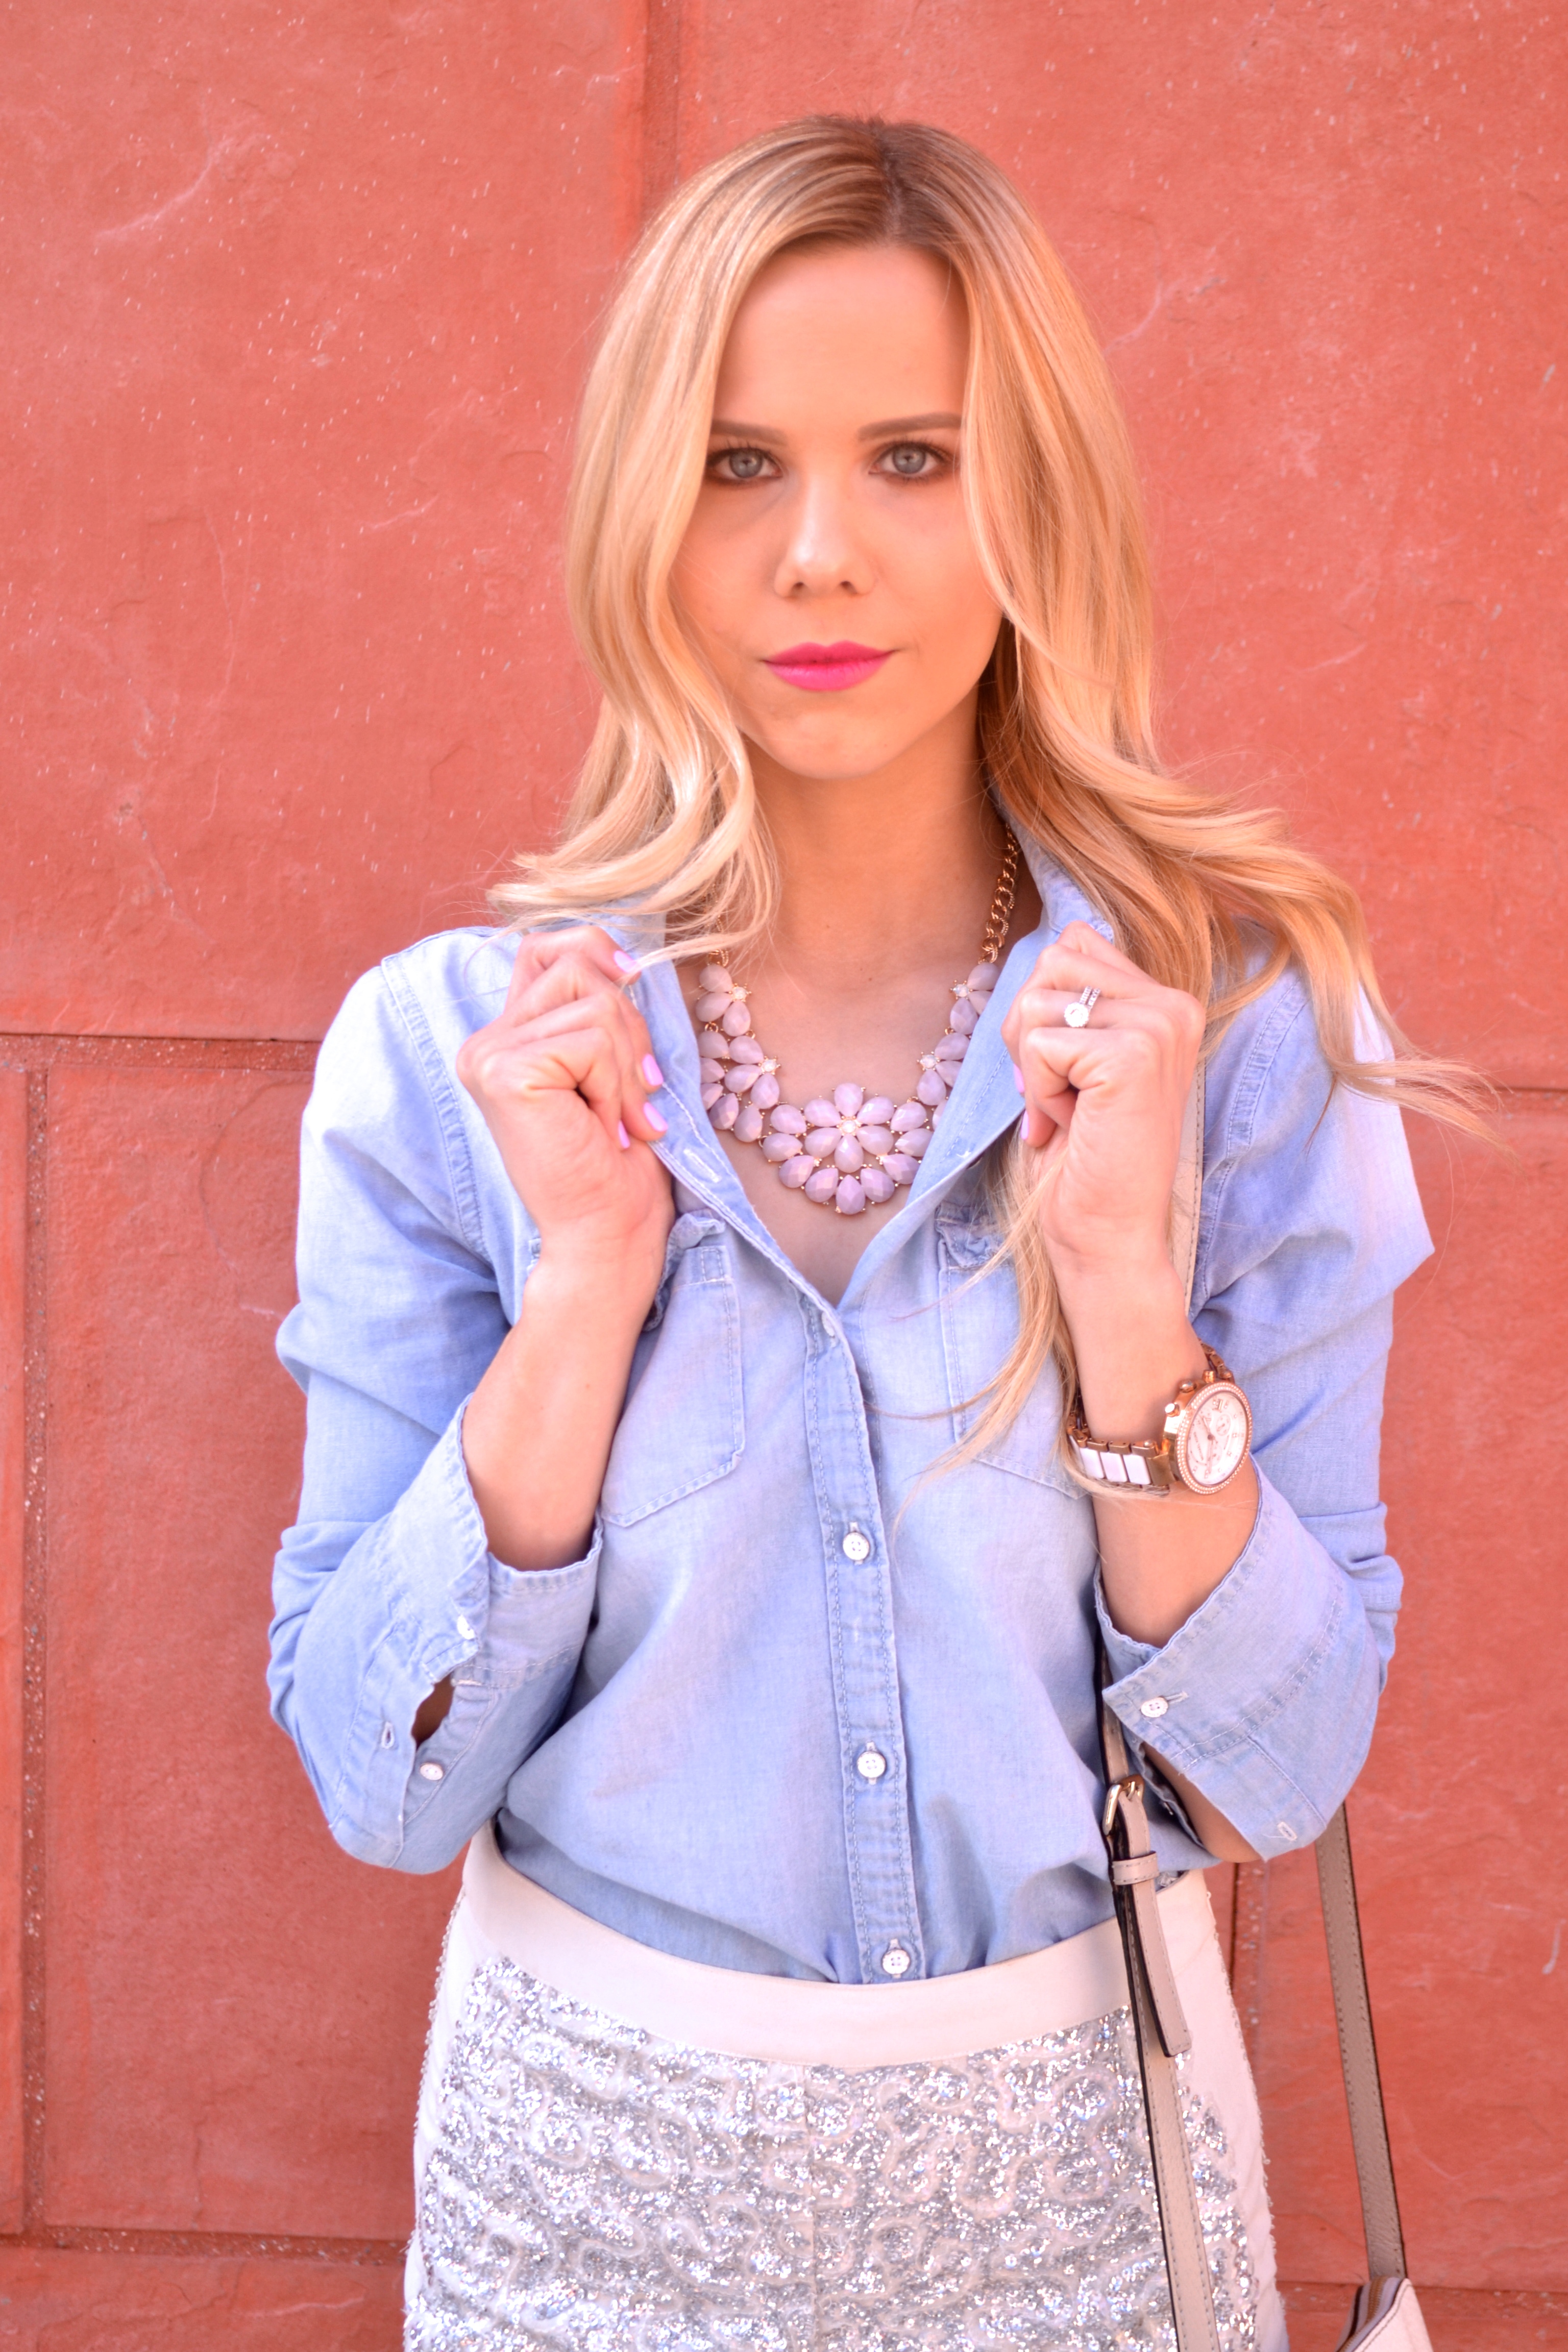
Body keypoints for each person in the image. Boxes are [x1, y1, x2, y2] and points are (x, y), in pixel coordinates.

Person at [269, 117, 1478, 2351]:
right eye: (739, 465)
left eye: (913, 459)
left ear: (1040, 498)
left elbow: (1282, 1774)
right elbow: (379, 1773)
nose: (820, 555)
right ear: (647, 502)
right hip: (581, 2216)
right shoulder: (452, 1058)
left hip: (1086, 2221)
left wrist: (1129, 1297)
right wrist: (583, 1295)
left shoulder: (1237, 1038)